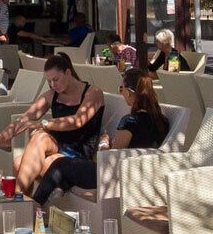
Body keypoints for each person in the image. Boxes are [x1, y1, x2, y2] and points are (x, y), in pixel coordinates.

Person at [26, 66, 170, 206]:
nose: (121, 92)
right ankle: (60, 188)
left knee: (60, 164)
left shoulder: (130, 121)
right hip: (142, 174)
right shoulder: (162, 120)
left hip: (114, 176)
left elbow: (112, 158)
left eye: (121, 88)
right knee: (69, 168)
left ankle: (34, 206)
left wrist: (104, 144)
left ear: (130, 92)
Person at [0, 52, 104, 199]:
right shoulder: (52, 95)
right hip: (58, 146)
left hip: (79, 155)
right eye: (49, 81)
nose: (52, 85)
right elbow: (23, 120)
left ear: (68, 73)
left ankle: (17, 201)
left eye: (55, 79)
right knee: (34, 143)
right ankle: (22, 204)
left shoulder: (93, 92)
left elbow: (77, 121)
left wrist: (43, 123)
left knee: (24, 159)